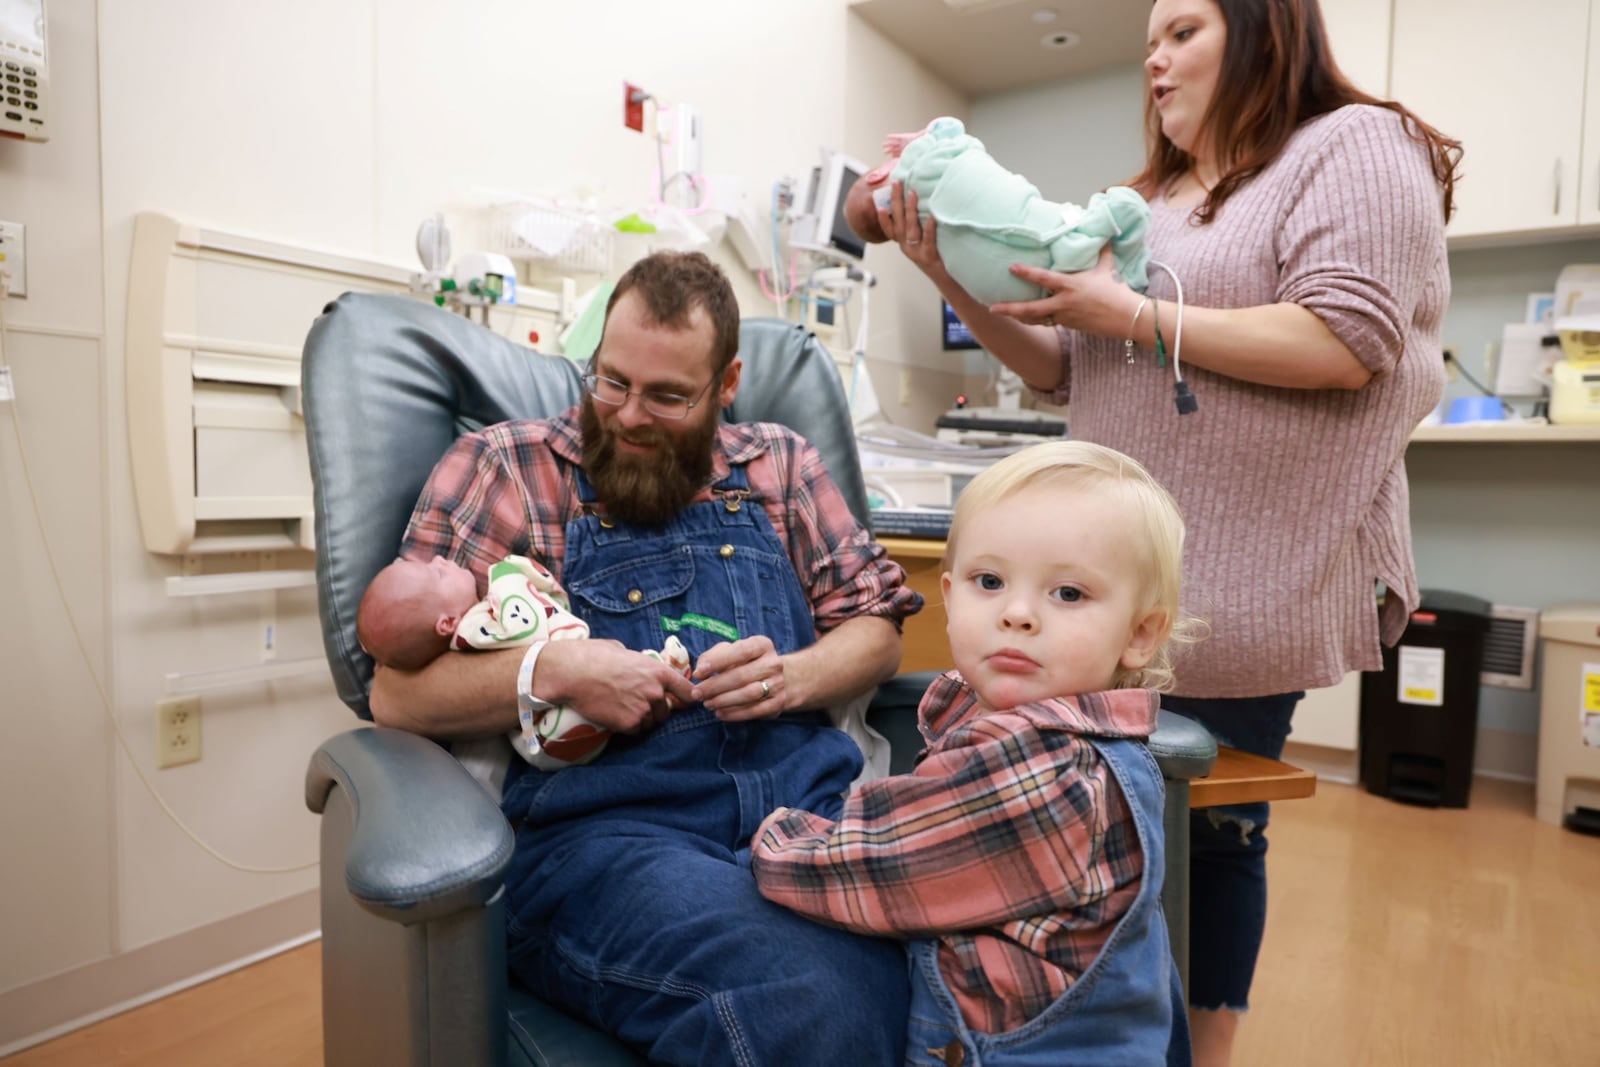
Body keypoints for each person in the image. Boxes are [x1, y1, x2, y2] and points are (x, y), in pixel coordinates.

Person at [871, 1, 1461, 1063]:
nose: (1153, 53)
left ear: (1264, 28)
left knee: (1207, 835)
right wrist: (944, 269)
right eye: (1149, 35)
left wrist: (1133, 314)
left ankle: (1197, 1044)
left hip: (1240, 578)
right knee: (1089, 833)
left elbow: (1348, 334)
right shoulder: (1152, 201)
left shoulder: (1355, 145)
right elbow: (1065, 365)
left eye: (1182, 27)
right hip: (1100, 578)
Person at [367, 249, 924, 1066]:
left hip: (811, 811)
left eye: (668, 396)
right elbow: (396, 698)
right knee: (816, 1001)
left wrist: (791, 677)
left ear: (725, 384)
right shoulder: (507, 468)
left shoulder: (779, 464)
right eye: (612, 381)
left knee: (997, 944)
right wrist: (553, 672)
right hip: (612, 840)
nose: (629, 415)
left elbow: (877, 628)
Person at [751, 440, 1195, 1066]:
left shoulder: (1043, 770)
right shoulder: (1064, 739)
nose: (1017, 614)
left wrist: (768, 837)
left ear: (1141, 633)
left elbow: (867, 868)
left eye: (1067, 594)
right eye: (990, 582)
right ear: (952, 595)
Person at [355, 553, 688, 770]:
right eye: (435, 571)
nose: (441, 559)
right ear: (445, 624)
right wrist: (564, 669)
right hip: (607, 785)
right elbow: (389, 693)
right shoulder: (496, 465)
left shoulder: (742, 471)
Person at [842, 116, 1153, 305]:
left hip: (1028, 289)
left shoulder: (926, 239)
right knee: (1092, 219)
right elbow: (951, 130)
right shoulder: (923, 162)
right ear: (875, 176)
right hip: (1050, 236)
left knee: (1062, 250)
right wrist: (921, 136)